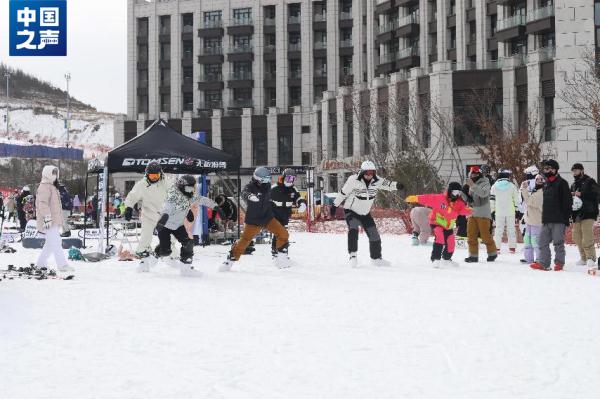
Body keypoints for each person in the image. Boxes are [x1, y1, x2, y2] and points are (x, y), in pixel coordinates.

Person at [330, 160, 404, 267]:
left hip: (365, 213)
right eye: (367, 173)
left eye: (371, 173)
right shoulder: (353, 180)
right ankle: (353, 255)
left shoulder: (377, 180)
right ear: (361, 172)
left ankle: (376, 259)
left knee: (374, 235)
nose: (369, 175)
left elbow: (388, 184)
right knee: (353, 229)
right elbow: (343, 193)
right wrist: (334, 205)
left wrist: (397, 185)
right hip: (351, 211)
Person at [220, 166, 292, 272]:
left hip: (268, 217)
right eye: (265, 179)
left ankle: (280, 257)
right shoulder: (250, 187)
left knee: (283, 234)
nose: (268, 181)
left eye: (269, 179)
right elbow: (244, 192)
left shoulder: (268, 187)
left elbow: (280, 188)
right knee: (245, 240)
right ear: (258, 179)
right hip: (254, 220)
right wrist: (249, 196)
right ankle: (230, 260)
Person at [153, 175, 219, 275]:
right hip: (164, 225)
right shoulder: (173, 195)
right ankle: (154, 255)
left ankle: (186, 268)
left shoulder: (190, 195)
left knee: (188, 243)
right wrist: (163, 219)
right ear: (181, 186)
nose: (191, 190)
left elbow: (202, 199)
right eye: (189, 188)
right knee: (166, 251)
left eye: (193, 187)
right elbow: (167, 207)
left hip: (178, 225)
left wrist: (216, 207)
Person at [406, 182, 471, 267]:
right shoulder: (440, 198)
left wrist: (473, 211)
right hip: (437, 223)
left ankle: (446, 259)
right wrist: (415, 198)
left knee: (451, 242)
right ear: (450, 191)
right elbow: (427, 198)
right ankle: (435, 259)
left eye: (459, 193)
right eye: (455, 192)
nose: (456, 195)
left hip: (448, 226)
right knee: (440, 238)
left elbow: (463, 209)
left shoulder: (459, 203)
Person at [531, 159, 572, 271]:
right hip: (547, 219)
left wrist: (566, 219)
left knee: (558, 242)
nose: (546, 170)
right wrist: (538, 187)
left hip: (559, 219)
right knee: (542, 241)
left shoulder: (562, 183)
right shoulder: (546, 184)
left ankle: (559, 263)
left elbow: (568, 202)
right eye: (545, 169)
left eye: (548, 168)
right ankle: (544, 263)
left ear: (554, 170)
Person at [124, 161, 171, 257]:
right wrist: (128, 207)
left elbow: (174, 194)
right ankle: (143, 250)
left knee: (169, 235)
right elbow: (132, 196)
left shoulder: (166, 182)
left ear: (160, 174)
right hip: (148, 214)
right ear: (147, 175)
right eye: (152, 176)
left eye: (156, 176)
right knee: (146, 234)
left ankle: (170, 253)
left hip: (163, 215)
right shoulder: (142, 184)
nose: (154, 178)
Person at [35, 165, 73, 272]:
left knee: (50, 244)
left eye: (56, 173)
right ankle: (62, 265)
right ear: (47, 173)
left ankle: (40, 263)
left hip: (53, 220)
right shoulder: (44, 187)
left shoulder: (52, 186)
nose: (55, 176)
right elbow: (43, 204)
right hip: (48, 221)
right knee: (56, 242)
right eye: (53, 173)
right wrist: (47, 217)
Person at [464, 165, 497, 262]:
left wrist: (472, 186)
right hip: (471, 213)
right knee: (471, 236)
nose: (472, 176)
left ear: (478, 174)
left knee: (485, 236)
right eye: (471, 174)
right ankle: (473, 256)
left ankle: (492, 253)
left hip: (483, 214)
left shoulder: (485, 183)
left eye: (474, 174)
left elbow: (483, 193)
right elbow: (469, 197)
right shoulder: (470, 183)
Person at [270, 168, 307, 254]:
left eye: (292, 179)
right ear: (283, 177)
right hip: (275, 213)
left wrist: (302, 203)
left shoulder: (293, 189)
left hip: (285, 214)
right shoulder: (275, 188)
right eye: (288, 178)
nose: (290, 181)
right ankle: (277, 249)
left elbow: (298, 198)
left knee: (283, 231)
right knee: (279, 232)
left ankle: (281, 250)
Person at [569, 163, 599, 268]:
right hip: (577, 213)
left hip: (589, 212)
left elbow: (596, 194)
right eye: (573, 171)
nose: (574, 173)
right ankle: (583, 258)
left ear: (581, 170)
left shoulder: (590, 181)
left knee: (587, 236)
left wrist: (581, 194)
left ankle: (590, 257)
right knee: (576, 236)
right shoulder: (573, 185)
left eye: (576, 171)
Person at [490, 168, 521, 253]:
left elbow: (492, 200)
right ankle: (512, 248)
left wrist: (492, 211)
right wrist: (517, 210)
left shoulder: (494, 186)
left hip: (498, 212)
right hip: (510, 211)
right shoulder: (512, 186)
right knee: (511, 229)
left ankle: (496, 248)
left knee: (498, 230)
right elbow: (516, 199)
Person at [520, 173, 544, 264]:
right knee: (527, 240)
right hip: (530, 219)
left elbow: (529, 201)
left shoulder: (542, 192)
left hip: (537, 221)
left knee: (536, 241)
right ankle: (529, 258)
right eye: (537, 179)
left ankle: (539, 259)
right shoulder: (536, 190)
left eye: (541, 179)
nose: (538, 181)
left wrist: (524, 189)